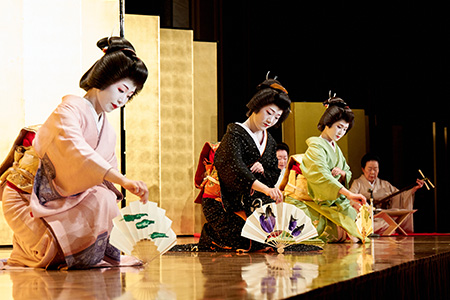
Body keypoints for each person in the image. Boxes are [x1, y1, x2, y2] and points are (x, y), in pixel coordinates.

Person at [0, 36, 149, 269]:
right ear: (105, 79)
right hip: (27, 198)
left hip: (62, 202)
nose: (122, 100)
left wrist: (128, 188)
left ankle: (92, 253)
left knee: (105, 197)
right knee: (56, 252)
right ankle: (34, 248)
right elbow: (76, 151)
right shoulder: (69, 109)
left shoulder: (106, 129)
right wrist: (120, 179)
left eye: (128, 96)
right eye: (121, 90)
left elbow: (103, 178)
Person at [199, 78, 291, 251]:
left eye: (277, 117)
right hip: (224, 201)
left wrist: (264, 170)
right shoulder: (234, 134)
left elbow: (272, 172)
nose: (271, 120)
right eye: (269, 112)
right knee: (246, 240)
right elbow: (233, 169)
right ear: (256, 106)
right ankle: (210, 235)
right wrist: (263, 187)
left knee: (271, 239)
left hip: (252, 200)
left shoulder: (270, 141)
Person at [283, 94, 367, 243]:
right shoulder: (316, 147)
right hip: (309, 198)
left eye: (345, 129)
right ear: (328, 123)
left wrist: (342, 174)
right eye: (339, 127)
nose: (341, 132)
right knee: (318, 227)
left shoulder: (336, 148)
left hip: (329, 198)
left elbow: (346, 171)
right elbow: (321, 177)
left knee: (350, 214)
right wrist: (348, 194)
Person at [350, 153, 424, 233]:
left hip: (381, 219)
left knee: (389, 225)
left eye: (375, 169)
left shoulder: (385, 184)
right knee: (362, 226)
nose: (372, 172)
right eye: (369, 169)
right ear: (363, 169)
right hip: (365, 218)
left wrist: (413, 189)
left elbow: (400, 196)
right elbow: (350, 198)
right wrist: (361, 206)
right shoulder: (357, 183)